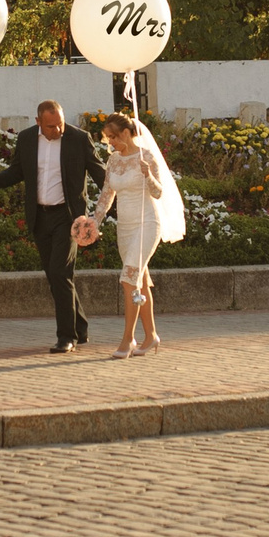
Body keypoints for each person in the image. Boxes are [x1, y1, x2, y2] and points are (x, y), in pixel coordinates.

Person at [0, 100, 102, 354]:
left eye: (60, 124)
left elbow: (101, 174)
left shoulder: (79, 139)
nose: (58, 130)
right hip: (40, 217)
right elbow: (17, 172)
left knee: (60, 273)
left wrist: (121, 194)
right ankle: (80, 328)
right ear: (38, 122)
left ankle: (66, 337)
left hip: (69, 218)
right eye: (51, 126)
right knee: (55, 276)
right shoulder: (27, 139)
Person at [81, 111, 184, 357]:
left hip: (147, 222)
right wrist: (95, 221)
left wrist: (148, 174)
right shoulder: (114, 161)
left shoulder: (146, 157)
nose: (111, 142)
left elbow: (158, 193)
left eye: (114, 137)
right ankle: (151, 336)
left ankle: (128, 340)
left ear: (127, 132)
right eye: (108, 138)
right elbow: (107, 194)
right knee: (140, 281)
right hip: (124, 228)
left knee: (129, 279)